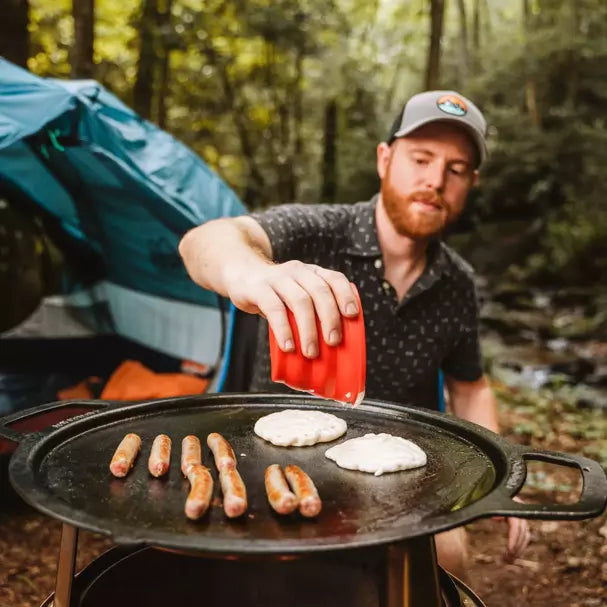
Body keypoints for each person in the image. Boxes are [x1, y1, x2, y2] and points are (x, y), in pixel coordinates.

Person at [178, 90, 530, 581]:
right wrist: (250, 273)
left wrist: (504, 470)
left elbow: (470, 387)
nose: (434, 180)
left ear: (470, 182)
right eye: (421, 158)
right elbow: (204, 241)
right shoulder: (317, 232)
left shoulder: (458, 285)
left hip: (399, 477)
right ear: (385, 159)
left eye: (456, 168)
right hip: (275, 462)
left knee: (449, 558)